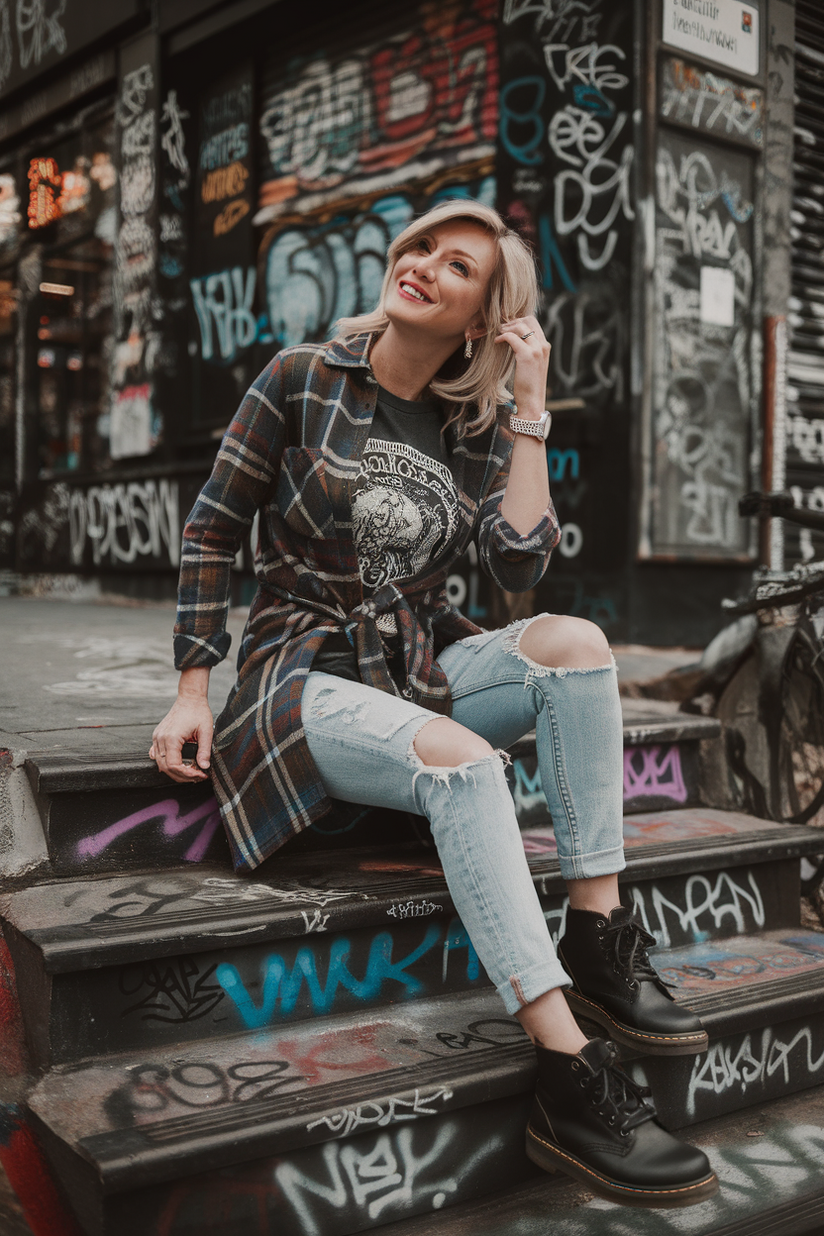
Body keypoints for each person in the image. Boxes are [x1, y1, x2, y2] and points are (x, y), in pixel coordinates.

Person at [150, 200, 718, 1207]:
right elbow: (209, 531)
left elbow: (515, 566)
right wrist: (194, 685)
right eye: (418, 247)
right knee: (466, 760)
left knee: (575, 647)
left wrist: (527, 404)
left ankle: (596, 924)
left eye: (455, 267)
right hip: (298, 676)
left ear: (478, 319)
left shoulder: (471, 426)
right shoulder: (298, 376)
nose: (418, 265)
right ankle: (565, 1066)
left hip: (411, 668)